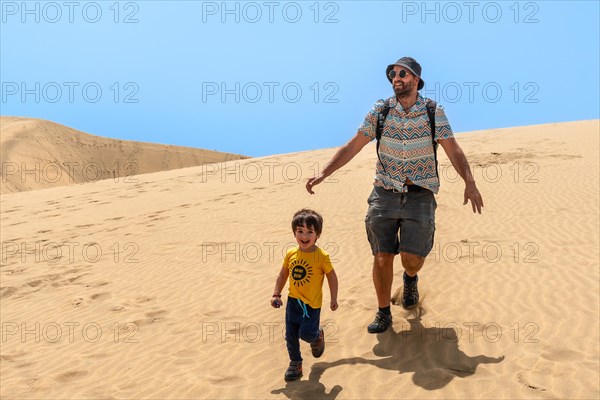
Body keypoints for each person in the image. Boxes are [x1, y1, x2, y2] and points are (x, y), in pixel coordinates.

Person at [305, 57, 483, 334]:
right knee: (382, 256)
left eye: (402, 73)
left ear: (416, 79)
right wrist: (324, 173)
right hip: (384, 192)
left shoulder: (433, 112)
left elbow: (453, 149)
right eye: (392, 75)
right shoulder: (381, 111)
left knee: (412, 258)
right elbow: (354, 145)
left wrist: (469, 182)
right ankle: (383, 312)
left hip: (420, 194)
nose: (395, 78)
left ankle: (410, 278)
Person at [271, 208, 339, 381]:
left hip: (312, 305)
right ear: (294, 233)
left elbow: (332, 277)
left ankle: (317, 337)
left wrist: (333, 298)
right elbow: (282, 274)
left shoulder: (321, 256)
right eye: (300, 231)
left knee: (306, 334)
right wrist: (276, 294)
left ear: (318, 234)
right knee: (291, 335)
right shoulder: (291, 253)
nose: (304, 235)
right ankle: (295, 363)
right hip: (293, 302)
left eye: (310, 231)